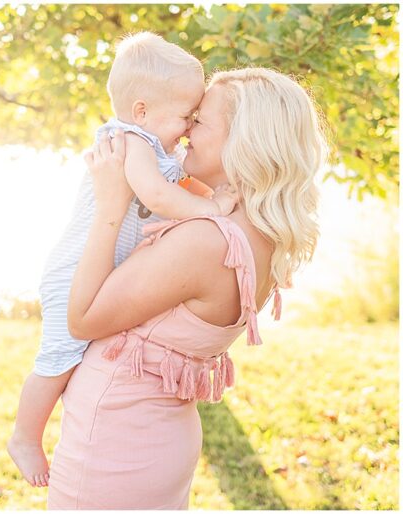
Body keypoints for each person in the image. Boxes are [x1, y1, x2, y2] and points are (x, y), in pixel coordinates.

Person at [47, 67, 327, 508]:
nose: (186, 130)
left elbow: (83, 319)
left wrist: (110, 205)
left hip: (115, 446)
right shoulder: (256, 232)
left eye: (199, 120)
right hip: (152, 436)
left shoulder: (205, 240)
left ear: (242, 140)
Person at [8, 32, 237, 487]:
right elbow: (155, 195)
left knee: (74, 354)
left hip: (100, 265)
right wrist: (211, 207)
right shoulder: (130, 141)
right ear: (141, 112)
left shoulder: (158, 148)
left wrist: (213, 191)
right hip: (74, 270)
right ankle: (25, 437)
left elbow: (170, 192)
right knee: (59, 356)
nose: (189, 127)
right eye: (184, 116)